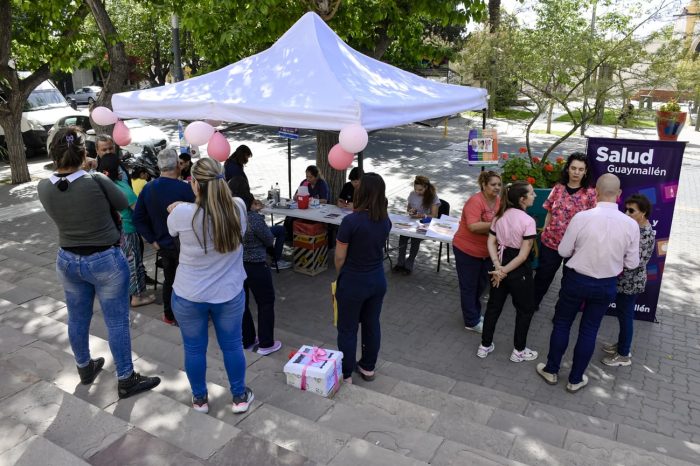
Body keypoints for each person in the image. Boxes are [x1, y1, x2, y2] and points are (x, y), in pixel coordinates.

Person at [37, 126, 160, 399]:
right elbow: (121, 201)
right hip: (105, 260)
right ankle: (126, 377)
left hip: (68, 259)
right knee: (116, 321)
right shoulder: (95, 180)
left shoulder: (43, 186)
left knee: (77, 318)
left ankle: (84, 366)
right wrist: (93, 171)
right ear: (85, 153)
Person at [536, 174, 640, 393]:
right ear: (619, 195)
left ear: (597, 193)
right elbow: (632, 263)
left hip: (576, 279)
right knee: (589, 330)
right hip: (606, 284)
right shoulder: (631, 225)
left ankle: (552, 369)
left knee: (563, 324)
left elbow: (563, 251)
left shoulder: (582, 218)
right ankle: (575, 379)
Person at [167, 157, 254, 414]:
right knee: (232, 346)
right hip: (228, 294)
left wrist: (180, 206)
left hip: (188, 294)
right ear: (222, 181)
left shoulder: (183, 214)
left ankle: (200, 399)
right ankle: (239, 397)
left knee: (194, 349)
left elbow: (173, 231)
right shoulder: (238, 207)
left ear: (194, 184)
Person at [335, 173, 392, 383]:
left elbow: (339, 257)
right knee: (371, 324)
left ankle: (346, 373)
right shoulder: (385, 220)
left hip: (353, 281)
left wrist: (341, 276)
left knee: (348, 329)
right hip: (377, 279)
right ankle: (368, 367)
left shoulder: (350, 222)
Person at [133, 147, 195, 325]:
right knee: (188, 280)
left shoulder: (148, 188)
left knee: (170, 280)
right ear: (177, 165)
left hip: (164, 245)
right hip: (186, 245)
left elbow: (138, 217)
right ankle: (188, 315)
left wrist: (152, 239)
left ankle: (169, 315)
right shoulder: (186, 189)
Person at [477, 181, 538, 362]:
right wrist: (503, 270)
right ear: (522, 199)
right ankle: (518, 351)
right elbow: (523, 255)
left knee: (493, 307)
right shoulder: (528, 221)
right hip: (519, 272)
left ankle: (484, 345)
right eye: (532, 193)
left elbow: (491, 242)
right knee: (525, 310)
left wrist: (498, 267)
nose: (534, 195)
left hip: (500, 265)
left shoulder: (499, 216)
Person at [533, 152, 597, 308]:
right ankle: (531, 305)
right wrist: (545, 231)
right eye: (573, 168)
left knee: (569, 283)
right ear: (568, 168)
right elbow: (549, 210)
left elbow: (593, 220)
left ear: (585, 171)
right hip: (551, 243)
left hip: (576, 248)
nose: (576, 172)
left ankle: (560, 314)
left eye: (580, 169)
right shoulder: (558, 188)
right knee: (542, 277)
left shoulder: (590, 193)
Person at [601, 194, 655, 367]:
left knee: (625, 317)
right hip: (624, 280)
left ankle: (624, 354)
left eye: (632, 210)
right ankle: (621, 346)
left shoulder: (645, 232)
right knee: (622, 315)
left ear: (644, 212)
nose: (627, 213)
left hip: (630, 283)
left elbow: (638, 261)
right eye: (626, 209)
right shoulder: (634, 227)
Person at [98, 153, 154, 308]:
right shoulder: (120, 187)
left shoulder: (105, 184)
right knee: (133, 261)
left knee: (124, 262)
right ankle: (136, 297)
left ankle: (131, 293)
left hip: (117, 230)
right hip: (128, 230)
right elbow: (137, 211)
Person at [452, 171, 502, 332]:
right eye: (493, 185)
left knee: (481, 285)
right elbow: (473, 226)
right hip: (466, 250)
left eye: (499, 185)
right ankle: (471, 321)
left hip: (486, 252)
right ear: (484, 185)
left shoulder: (499, 201)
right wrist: (496, 223)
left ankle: (474, 312)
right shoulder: (475, 201)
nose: (497, 188)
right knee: (469, 286)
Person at [241, 201, 283, 356]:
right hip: (257, 265)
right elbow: (269, 239)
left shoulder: (229, 214)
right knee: (265, 302)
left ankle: (248, 339)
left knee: (242, 303)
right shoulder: (253, 219)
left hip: (237, 264)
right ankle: (266, 343)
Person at [393, 175, 441, 275]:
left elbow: (434, 215)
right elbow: (408, 208)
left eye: (420, 190)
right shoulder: (412, 194)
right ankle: (400, 262)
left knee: (415, 240)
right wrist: (411, 210)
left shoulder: (433, 197)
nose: (417, 192)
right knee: (403, 237)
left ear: (426, 187)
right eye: (415, 189)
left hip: (424, 224)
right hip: (411, 221)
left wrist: (422, 215)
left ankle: (409, 264)